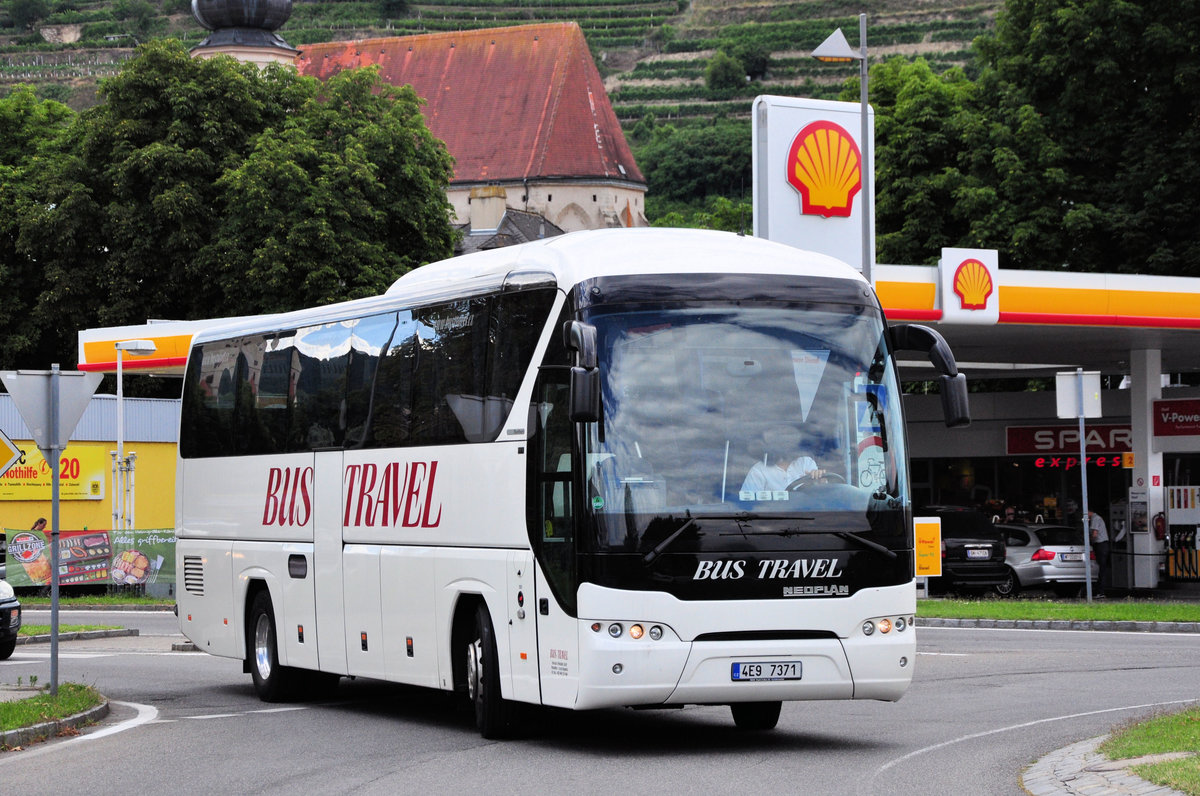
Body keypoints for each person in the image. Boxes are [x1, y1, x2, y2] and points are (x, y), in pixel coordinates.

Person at [741, 426, 824, 494]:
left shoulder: (806, 462)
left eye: (790, 440)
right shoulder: (758, 470)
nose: (786, 444)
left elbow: (818, 495)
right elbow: (748, 502)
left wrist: (818, 481)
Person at [1088, 509, 1110, 595]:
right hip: (1102, 545)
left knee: (1101, 568)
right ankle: (1099, 590)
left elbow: (1095, 533)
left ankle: (1100, 591)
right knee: (1101, 568)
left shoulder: (1095, 518)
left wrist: (1089, 542)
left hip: (1100, 545)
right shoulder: (1096, 518)